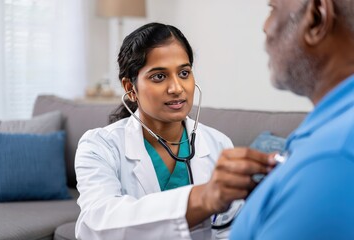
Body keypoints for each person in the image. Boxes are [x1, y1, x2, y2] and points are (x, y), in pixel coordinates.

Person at [74, 22, 276, 240]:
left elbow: (230, 229)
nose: (177, 88)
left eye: (184, 72)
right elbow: (96, 224)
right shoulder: (99, 146)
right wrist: (202, 198)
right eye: (159, 76)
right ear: (131, 89)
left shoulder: (218, 143)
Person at [230, 0, 354, 239]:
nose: (266, 27)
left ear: (316, 18)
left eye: (273, 9)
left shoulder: (331, 159)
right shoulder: (328, 130)